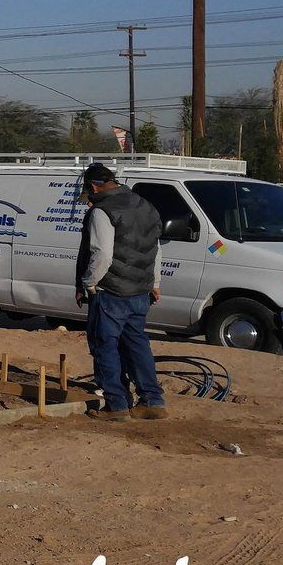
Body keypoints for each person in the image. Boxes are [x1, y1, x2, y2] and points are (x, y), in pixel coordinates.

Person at [74, 163, 167, 422]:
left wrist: (89, 283)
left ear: (93, 187)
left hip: (111, 292)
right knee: (137, 345)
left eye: (88, 194)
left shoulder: (102, 212)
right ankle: (152, 401)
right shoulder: (144, 205)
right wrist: (154, 282)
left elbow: (102, 253)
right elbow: (155, 248)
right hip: (140, 292)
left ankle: (116, 405)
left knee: (105, 347)